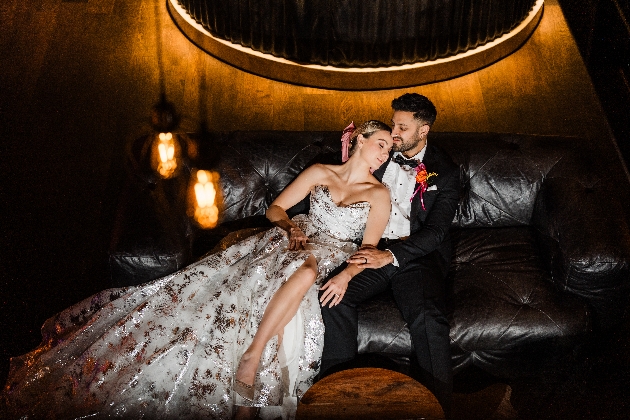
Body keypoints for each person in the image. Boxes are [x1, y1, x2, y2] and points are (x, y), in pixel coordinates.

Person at [1, 121, 393, 420]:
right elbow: (275, 209)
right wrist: (290, 226)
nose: (384, 155)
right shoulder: (321, 173)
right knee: (236, 286)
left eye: (390, 151)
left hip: (329, 254)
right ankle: (247, 362)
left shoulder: (379, 194)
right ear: (359, 139)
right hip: (292, 239)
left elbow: (369, 249)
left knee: (307, 273)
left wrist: (345, 275)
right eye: (381, 145)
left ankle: (251, 358)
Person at [319, 93, 460, 416]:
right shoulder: (380, 155)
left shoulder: (446, 172)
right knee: (333, 296)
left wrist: (393, 256)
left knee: (428, 317)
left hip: (415, 256)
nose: (393, 133)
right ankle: (338, 397)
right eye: (393, 123)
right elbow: (339, 180)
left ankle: (438, 410)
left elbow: (436, 233)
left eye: (402, 127)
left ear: (423, 131)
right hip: (371, 247)